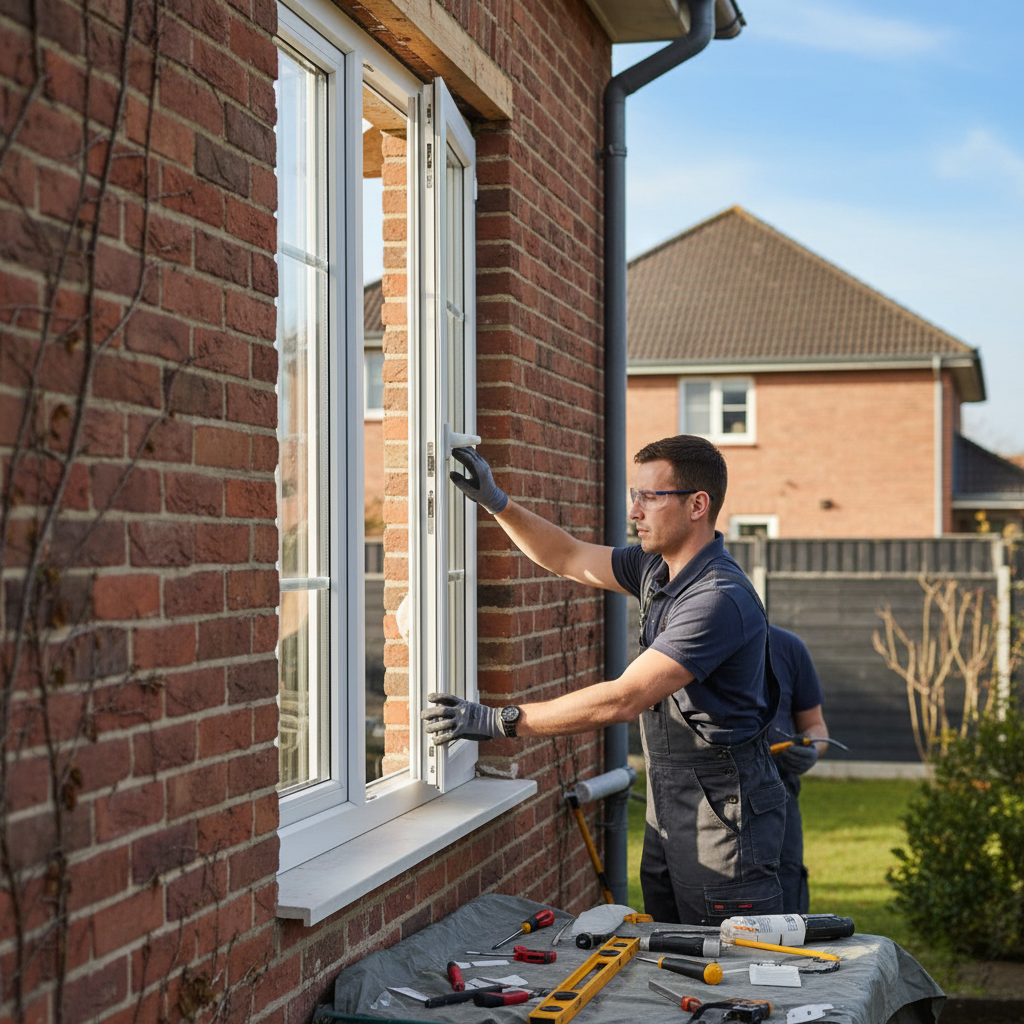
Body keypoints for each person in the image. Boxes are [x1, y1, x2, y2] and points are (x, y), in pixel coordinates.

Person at [422, 434, 787, 925]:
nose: (634, 511)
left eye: (650, 497)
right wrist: (498, 503)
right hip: (671, 798)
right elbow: (567, 556)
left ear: (698, 505)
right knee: (672, 939)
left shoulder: (717, 598)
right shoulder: (657, 568)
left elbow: (623, 699)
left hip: (724, 812)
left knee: (730, 951)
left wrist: (497, 720)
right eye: (635, 495)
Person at [767, 625, 829, 914]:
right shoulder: (694, 640)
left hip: (780, 795)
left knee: (787, 898)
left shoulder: (787, 647)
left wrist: (811, 749)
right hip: (711, 797)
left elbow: (815, 727)